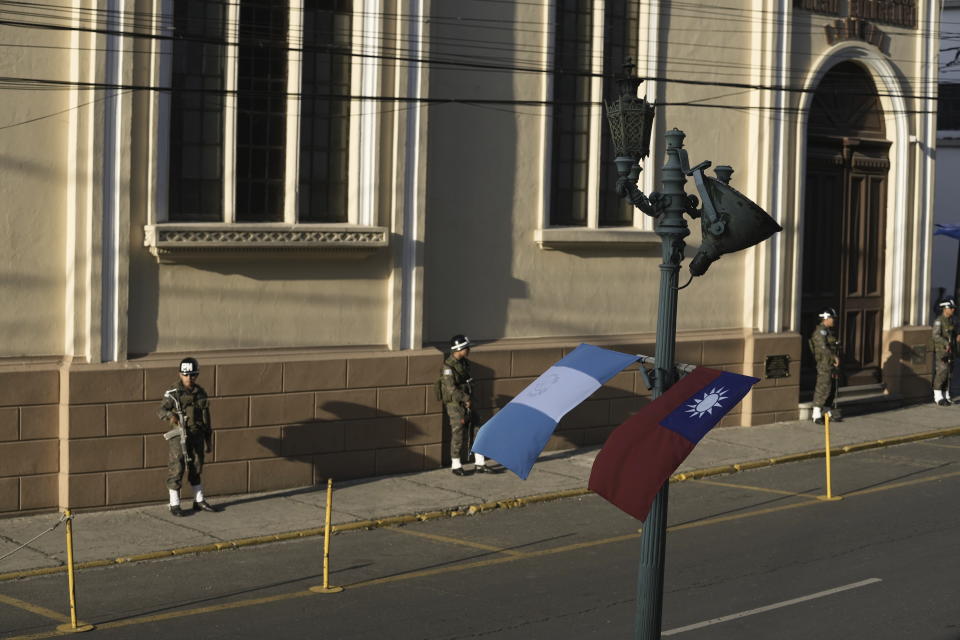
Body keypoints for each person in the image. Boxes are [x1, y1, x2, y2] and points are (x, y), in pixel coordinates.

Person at [158, 357, 217, 516]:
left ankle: (198, 500)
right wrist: (171, 416)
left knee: (197, 466)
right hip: (179, 435)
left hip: (197, 434)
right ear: (180, 374)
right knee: (177, 466)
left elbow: (206, 417)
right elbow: (161, 411)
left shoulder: (201, 393)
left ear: (196, 375)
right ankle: (174, 503)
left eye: (192, 375)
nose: (188, 378)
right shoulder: (173, 393)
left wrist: (208, 439)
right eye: (185, 375)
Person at [439, 334, 489, 476]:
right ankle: (456, 465)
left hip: (469, 402)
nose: (469, 350)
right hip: (456, 405)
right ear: (459, 349)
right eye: (466, 348)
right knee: (458, 433)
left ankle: (480, 463)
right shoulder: (448, 367)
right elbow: (451, 388)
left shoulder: (465, 363)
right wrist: (465, 398)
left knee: (478, 429)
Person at [809, 307, 842, 425]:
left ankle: (827, 411)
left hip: (831, 364)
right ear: (826, 318)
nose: (834, 320)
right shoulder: (820, 332)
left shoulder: (828, 332)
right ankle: (816, 414)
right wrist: (834, 357)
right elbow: (823, 349)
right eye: (832, 318)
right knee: (823, 387)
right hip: (824, 364)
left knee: (832, 389)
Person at [931, 296, 959, 406]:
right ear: (945, 308)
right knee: (942, 372)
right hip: (941, 351)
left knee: (949, 373)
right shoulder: (939, 321)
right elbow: (935, 335)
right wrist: (946, 343)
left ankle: (946, 395)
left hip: (951, 350)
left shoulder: (951, 320)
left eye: (953, 308)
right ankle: (938, 397)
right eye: (951, 308)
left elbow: (953, 333)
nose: (953, 310)